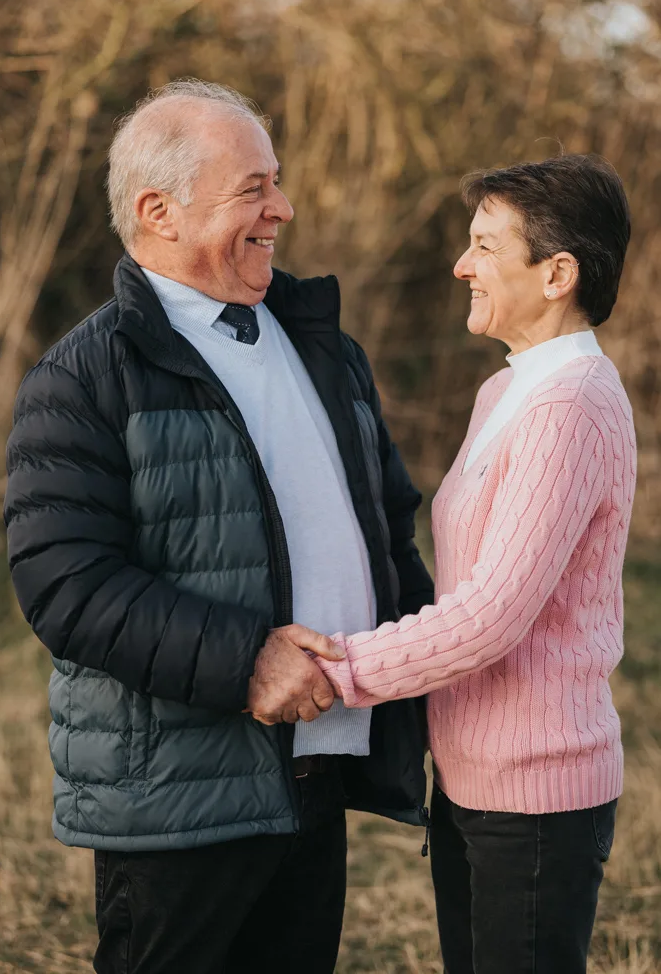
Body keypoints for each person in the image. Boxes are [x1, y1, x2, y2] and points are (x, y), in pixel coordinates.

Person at [4, 79, 434, 974]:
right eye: (253, 188)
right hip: (176, 801)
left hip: (313, 776)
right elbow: (66, 584)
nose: (282, 207)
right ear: (159, 211)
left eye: (274, 182)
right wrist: (249, 660)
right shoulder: (83, 377)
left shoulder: (321, 345)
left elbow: (390, 530)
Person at [264, 155, 636, 974]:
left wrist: (337, 670)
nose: (461, 264)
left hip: (535, 793)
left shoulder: (569, 403)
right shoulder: (505, 393)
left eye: (483, 245)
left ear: (556, 274)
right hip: (470, 774)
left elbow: (491, 614)